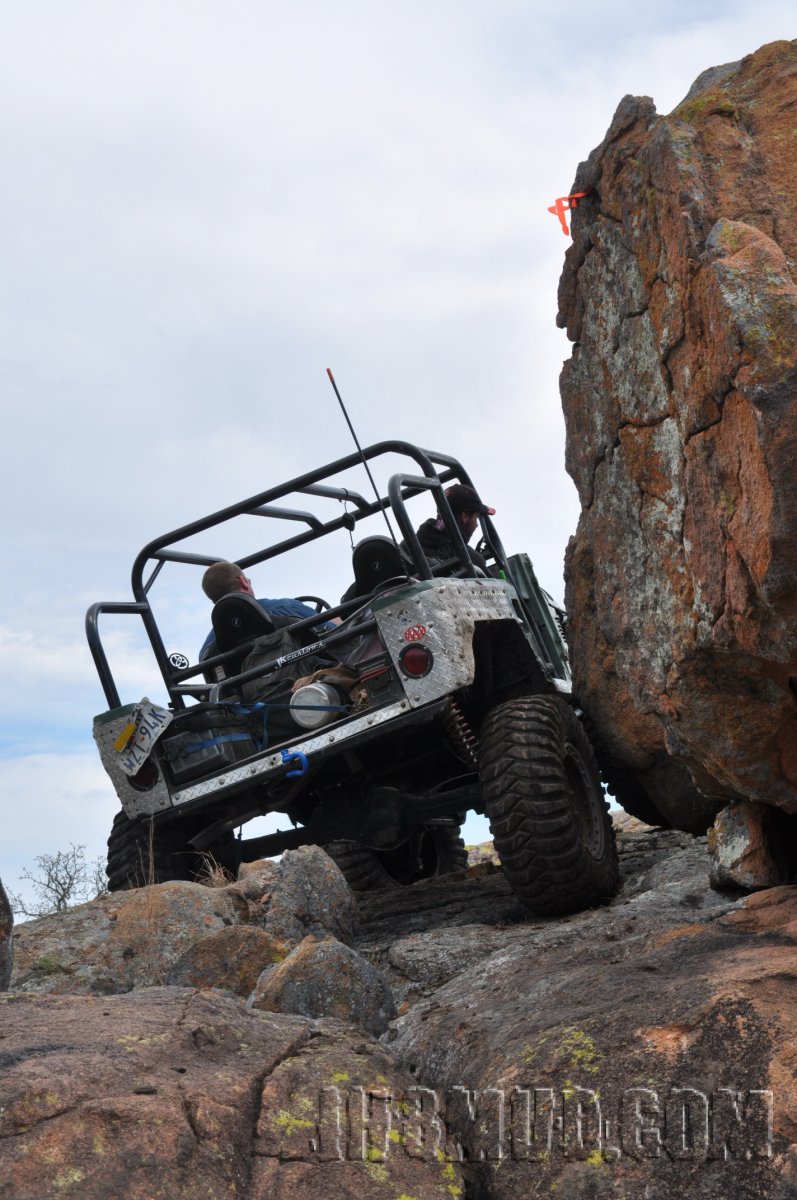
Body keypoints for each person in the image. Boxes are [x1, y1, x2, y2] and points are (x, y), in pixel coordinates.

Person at [198, 561, 335, 661]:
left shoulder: (207, 651)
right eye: (248, 580)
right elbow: (336, 634)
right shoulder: (287, 608)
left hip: (249, 700)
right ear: (244, 582)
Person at [409, 483, 496, 574]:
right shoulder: (469, 559)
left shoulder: (407, 546)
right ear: (465, 516)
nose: (477, 525)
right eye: (476, 517)